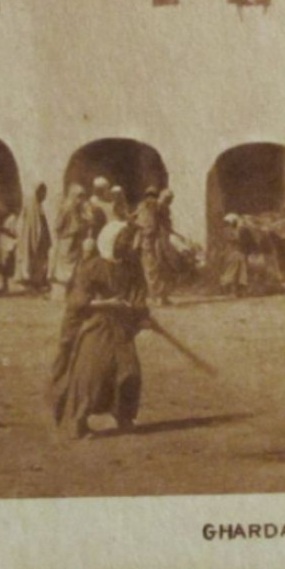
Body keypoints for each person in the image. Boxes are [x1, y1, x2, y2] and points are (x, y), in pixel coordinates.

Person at [48, 218, 150, 439]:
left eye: (128, 239)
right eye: (123, 239)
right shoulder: (92, 267)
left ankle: (124, 417)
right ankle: (78, 423)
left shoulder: (131, 264)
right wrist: (107, 304)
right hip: (97, 325)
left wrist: (141, 312)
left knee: (128, 372)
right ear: (110, 240)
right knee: (92, 375)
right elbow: (78, 302)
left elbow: (139, 291)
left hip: (121, 326)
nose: (127, 243)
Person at [50, 185, 92, 300]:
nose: (81, 200)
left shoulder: (79, 209)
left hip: (76, 241)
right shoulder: (66, 208)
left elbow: (86, 222)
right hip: (67, 241)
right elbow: (58, 225)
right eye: (79, 197)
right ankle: (61, 295)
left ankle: (70, 294)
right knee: (64, 268)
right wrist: (66, 234)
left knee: (75, 268)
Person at [132, 187, 170, 304]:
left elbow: (137, 220)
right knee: (155, 268)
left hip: (151, 240)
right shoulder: (154, 206)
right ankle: (159, 297)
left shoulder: (146, 206)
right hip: (152, 240)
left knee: (152, 268)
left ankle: (159, 297)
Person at [17, 182, 52, 294]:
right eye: (43, 193)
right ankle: (31, 286)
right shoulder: (32, 207)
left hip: (41, 240)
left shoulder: (38, 206)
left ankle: (37, 284)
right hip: (32, 240)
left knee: (40, 262)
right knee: (32, 261)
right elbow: (32, 227)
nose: (45, 196)